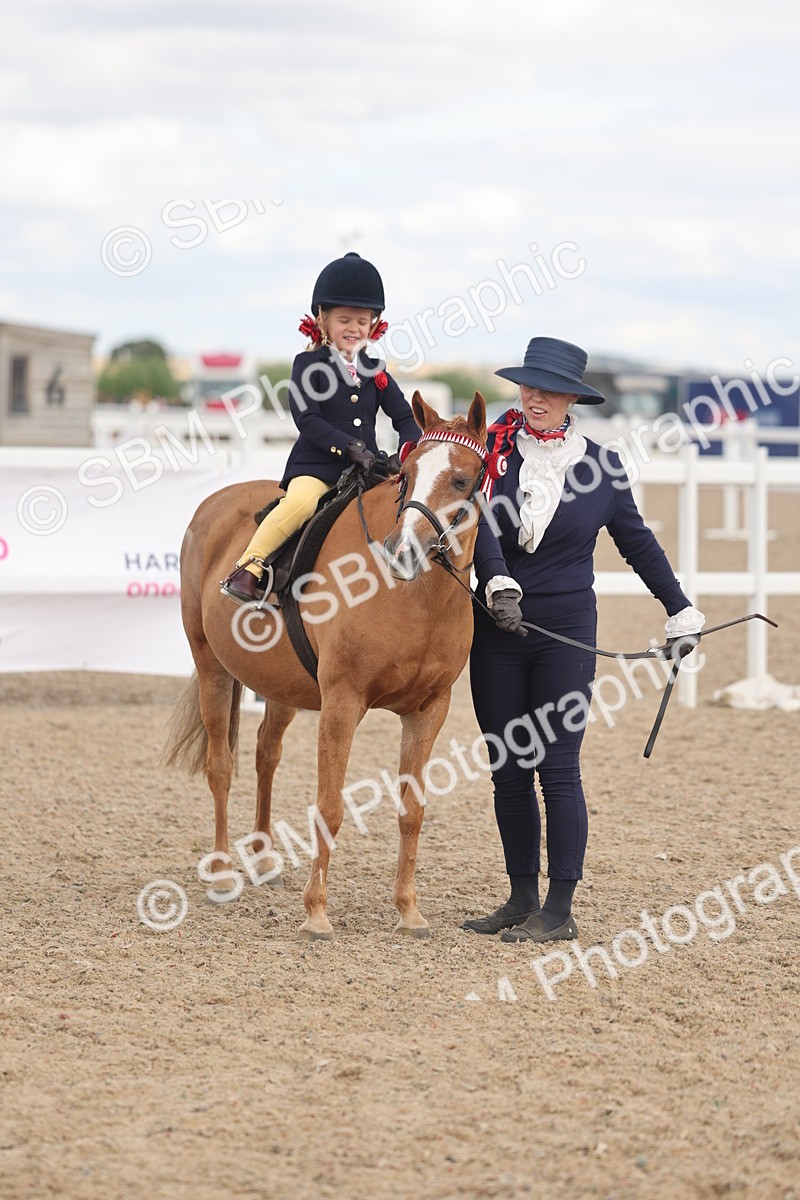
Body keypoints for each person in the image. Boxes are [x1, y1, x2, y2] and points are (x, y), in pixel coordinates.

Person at [463, 337, 705, 943]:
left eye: (550, 390)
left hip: (566, 634)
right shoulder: (491, 452)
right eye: (529, 385)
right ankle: (521, 896)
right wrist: (496, 579)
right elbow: (476, 524)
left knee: (557, 767)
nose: (536, 397)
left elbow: (637, 543)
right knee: (507, 768)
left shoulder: (602, 467)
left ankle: (559, 908)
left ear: (573, 398)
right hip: (496, 627)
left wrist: (679, 609)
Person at [221, 251, 420, 604]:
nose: (354, 328)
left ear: (373, 325)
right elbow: (307, 419)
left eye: (362, 321)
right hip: (319, 468)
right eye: (344, 320)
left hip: (368, 469)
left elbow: (405, 418)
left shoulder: (375, 370)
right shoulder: (308, 364)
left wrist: (405, 454)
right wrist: (349, 447)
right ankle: (248, 568)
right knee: (300, 504)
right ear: (322, 319)